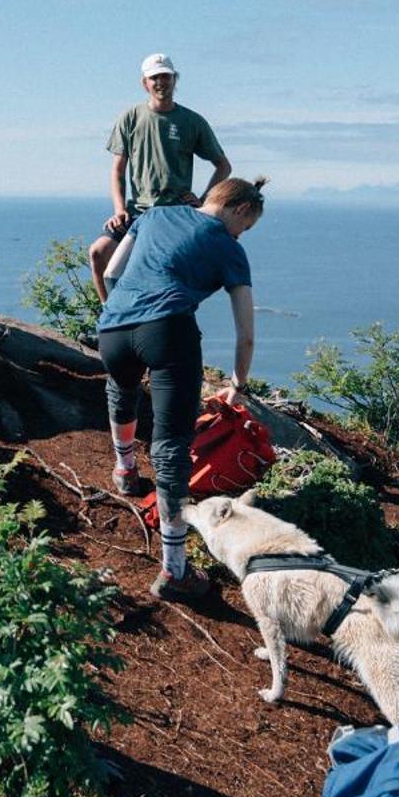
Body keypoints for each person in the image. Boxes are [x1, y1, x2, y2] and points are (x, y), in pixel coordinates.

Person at [96, 175, 266, 601]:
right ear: (241, 210)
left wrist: (120, 312)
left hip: (113, 326)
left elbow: (112, 268)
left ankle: (124, 471)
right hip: (169, 331)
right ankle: (175, 570)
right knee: (171, 445)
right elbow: (246, 333)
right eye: (244, 227)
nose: (240, 234)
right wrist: (237, 385)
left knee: (123, 389)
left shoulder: (156, 214)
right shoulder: (229, 248)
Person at [88, 53, 230, 300]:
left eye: (165, 76)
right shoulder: (130, 118)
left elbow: (223, 166)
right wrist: (119, 209)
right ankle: (108, 319)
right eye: (154, 78)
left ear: (175, 80)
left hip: (174, 214)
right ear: (145, 83)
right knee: (99, 253)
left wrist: (205, 202)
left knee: (166, 273)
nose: (160, 82)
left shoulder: (192, 122)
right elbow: (118, 170)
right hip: (138, 212)